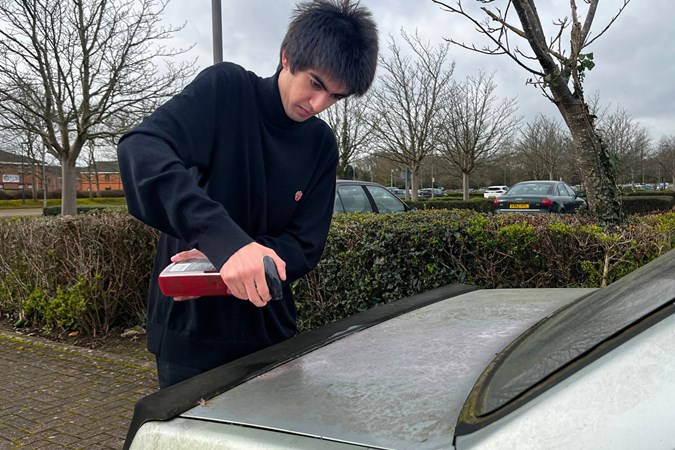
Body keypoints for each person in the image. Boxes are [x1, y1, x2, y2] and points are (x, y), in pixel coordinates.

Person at [117, 0, 378, 388]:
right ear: (287, 57)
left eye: (336, 97)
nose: (319, 105)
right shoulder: (227, 90)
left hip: (270, 334)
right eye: (316, 84)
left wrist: (229, 261)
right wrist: (225, 242)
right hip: (191, 334)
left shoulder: (322, 145)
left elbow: (305, 246)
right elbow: (141, 151)